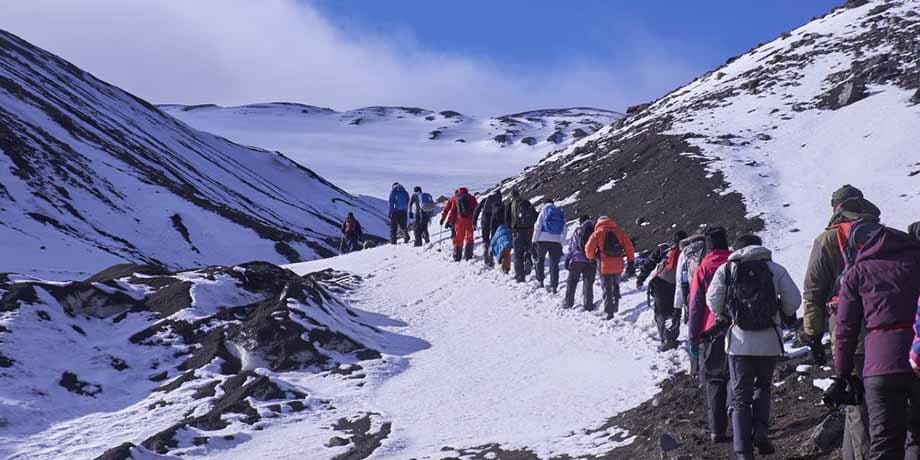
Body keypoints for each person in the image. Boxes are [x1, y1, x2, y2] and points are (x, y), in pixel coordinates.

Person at [802, 186, 881, 460]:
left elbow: (813, 291)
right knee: (877, 400)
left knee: (857, 401)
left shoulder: (828, 239)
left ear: (837, 206)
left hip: (848, 330)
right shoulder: (881, 234)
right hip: (887, 326)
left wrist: (812, 334)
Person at [829, 223, 920, 460]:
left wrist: (842, 373)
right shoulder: (916, 260)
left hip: (879, 365)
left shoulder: (857, 273)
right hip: (917, 357)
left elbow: (846, 329)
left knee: (884, 443)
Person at [706, 234, 801, 460]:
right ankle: (760, 430)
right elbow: (794, 301)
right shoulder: (774, 268)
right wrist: (781, 312)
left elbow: (713, 301)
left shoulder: (727, 270)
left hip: (739, 343)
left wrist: (727, 313)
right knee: (763, 386)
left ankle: (743, 452)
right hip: (769, 340)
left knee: (740, 397)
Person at [688, 225, 733, 444]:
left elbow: (696, 305)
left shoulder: (704, 267)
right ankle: (741, 425)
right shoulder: (737, 262)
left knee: (715, 379)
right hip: (739, 327)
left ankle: (717, 430)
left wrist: (693, 337)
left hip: (711, 330)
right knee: (738, 377)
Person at [637, 231, 688, 352]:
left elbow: (649, 263)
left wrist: (641, 278)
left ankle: (664, 339)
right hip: (679, 286)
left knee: (661, 313)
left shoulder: (665, 248)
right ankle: (672, 338)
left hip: (661, 284)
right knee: (675, 312)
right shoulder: (689, 252)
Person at [584, 216, 635, 318]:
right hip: (618, 264)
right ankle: (615, 305)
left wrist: (592, 258)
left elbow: (588, 249)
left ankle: (609, 312)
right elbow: (629, 247)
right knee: (616, 284)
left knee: (607, 288)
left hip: (604, 265)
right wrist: (631, 262)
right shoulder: (620, 232)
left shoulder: (598, 233)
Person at [675, 231, 707, 377]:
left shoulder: (686, 254)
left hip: (693, 299)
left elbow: (681, 282)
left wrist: (679, 306)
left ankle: (695, 370)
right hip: (714, 300)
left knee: (695, 334)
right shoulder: (711, 250)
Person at [563, 216, 597, 310]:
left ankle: (568, 302)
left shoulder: (578, 231)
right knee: (588, 282)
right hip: (591, 260)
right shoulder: (595, 231)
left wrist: (568, 258)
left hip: (577, 260)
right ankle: (588, 305)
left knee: (572, 281)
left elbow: (572, 246)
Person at [532, 200, 566, 293]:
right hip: (556, 240)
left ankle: (540, 281)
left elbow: (538, 226)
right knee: (554, 264)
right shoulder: (559, 211)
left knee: (540, 260)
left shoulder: (544, 210)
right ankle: (554, 286)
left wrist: (534, 240)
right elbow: (564, 228)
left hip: (542, 239)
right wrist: (561, 243)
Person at [505, 189, 538, 282]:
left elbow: (506, 220)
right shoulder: (527, 202)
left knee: (518, 254)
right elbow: (535, 215)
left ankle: (520, 276)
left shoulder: (510, 205)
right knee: (528, 248)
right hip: (529, 230)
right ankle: (528, 259)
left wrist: (512, 228)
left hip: (517, 231)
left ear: (511, 196)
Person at [444, 187, 478, 262]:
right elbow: (477, 208)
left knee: (459, 239)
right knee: (469, 238)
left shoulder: (457, 198)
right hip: (470, 220)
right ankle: (468, 256)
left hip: (459, 221)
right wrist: (475, 220)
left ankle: (457, 256)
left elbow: (452, 211)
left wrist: (449, 221)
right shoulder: (472, 198)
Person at [474, 190, 504, 266]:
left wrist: (474, 221)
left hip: (485, 220)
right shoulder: (500, 202)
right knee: (494, 239)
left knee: (485, 238)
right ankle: (493, 256)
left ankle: (486, 253)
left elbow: (477, 210)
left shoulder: (486, 200)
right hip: (495, 222)